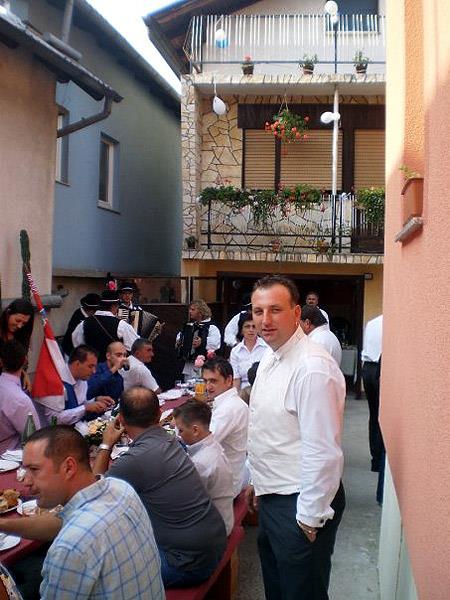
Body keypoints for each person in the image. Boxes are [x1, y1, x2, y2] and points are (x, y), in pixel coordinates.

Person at [247, 275, 346, 600]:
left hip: (301, 504)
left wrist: (308, 520)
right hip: (275, 495)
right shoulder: (271, 355)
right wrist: (258, 482)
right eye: (258, 311)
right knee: (278, 590)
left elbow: (323, 451)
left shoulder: (312, 367)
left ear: (296, 312)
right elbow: (270, 429)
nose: (265, 320)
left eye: (275, 310)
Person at [93, 386, 227, 588]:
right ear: (159, 414)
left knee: (102, 574)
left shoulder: (135, 460)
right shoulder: (171, 439)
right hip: (213, 542)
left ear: (120, 419)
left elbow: (94, 493)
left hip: (186, 562)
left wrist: (106, 444)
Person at [19, 425, 164, 599]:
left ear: (69, 468)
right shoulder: (122, 488)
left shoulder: (70, 546)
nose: (26, 482)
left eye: (34, 469)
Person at [173, 400, 234, 536]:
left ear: (195, 430)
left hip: (213, 530)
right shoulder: (212, 445)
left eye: (181, 430)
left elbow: (183, 501)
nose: (179, 436)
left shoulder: (201, 463)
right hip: (221, 517)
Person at [201, 357, 249, 496]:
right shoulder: (230, 403)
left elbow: (204, 444)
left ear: (228, 380)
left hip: (224, 488)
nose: (208, 387)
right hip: (229, 478)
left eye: (213, 381)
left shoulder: (229, 408)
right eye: (205, 381)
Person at [36, 345, 114, 425]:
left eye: (95, 367)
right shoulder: (54, 382)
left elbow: (79, 405)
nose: (94, 371)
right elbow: (54, 419)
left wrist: (95, 401)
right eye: (90, 366)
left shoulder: (82, 379)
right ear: (77, 364)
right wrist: (86, 408)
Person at [72, 290, 138, 361]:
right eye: (117, 306)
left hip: (92, 365)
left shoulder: (84, 323)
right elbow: (134, 346)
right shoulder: (121, 325)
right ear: (113, 306)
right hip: (114, 366)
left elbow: (77, 344)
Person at [0, 340, 40, 453]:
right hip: (9, 458)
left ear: (1, 361)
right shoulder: (20, 399)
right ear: (25, 360)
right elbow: (35, 439)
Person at [176, 300, 221, 380]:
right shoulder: (190, 326)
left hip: (205, 365)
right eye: (190, 309)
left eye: (193, 309)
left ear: (201, 312)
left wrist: (202, 342)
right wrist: (180, 341)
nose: (190, 311)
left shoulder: (211, 327)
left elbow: (216, 343)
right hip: (190, 365)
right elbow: (180, 335)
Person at [361, 314, 383, 473]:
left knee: (374, 414)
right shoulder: (392, 323)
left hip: (368, 368)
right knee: (384, 416)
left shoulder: (372, 323)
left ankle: (375, 460)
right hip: (380, 368)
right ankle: (380, 459)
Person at [0, 299, 34, 390]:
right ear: (8, 313)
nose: (19, 326)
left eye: (24, 323)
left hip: (13, 385)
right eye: (17, 320)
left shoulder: (22, 334)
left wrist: (23, 373)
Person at [229, 312, 267, 390]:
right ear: (241, 330)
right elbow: (236, 379)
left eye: (254, 326)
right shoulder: (235, 351)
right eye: (247, 327)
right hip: (244, 391)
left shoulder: (267, 347)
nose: (251, 330)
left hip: (263, 388)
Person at [61, 293, 100, 357]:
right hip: (71, 350)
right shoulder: (78, 317)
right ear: (92, 311)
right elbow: (75, 337)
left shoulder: (86, 315)